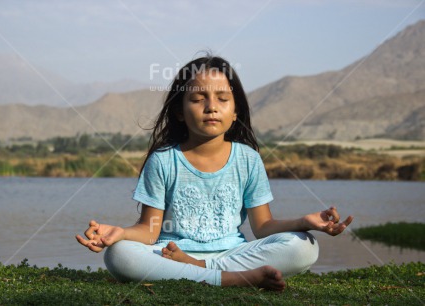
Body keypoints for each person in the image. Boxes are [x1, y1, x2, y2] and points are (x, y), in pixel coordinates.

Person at [76, 54, 353, 291]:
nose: (211, 107)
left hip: (232, 253)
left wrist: (304, 221)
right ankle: (234, 279)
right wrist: (120, 233)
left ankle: (202, 270)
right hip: (170, 252)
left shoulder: (248, 159)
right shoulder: (163, 161)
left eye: (222, 99)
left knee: (304, 246)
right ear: (180, 112)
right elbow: (150, 232)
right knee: (120, 255)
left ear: (235, 112)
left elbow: (263, 228)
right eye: (198, 99)